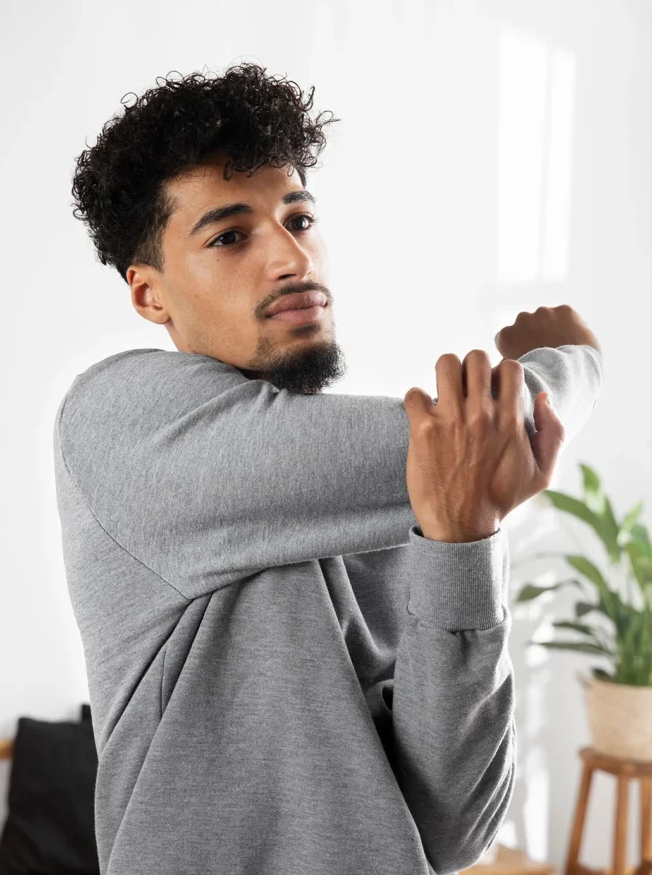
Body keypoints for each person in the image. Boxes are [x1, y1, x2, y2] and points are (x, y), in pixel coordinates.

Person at [53, 63, 603, 875]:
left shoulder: (380, 500)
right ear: (149, 295)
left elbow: (451, 831)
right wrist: (573, 361)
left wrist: (461, 540)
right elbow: (499, 425)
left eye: (299, 218)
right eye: (230, 235)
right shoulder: (120, 417)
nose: (289, 257)